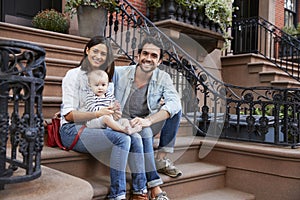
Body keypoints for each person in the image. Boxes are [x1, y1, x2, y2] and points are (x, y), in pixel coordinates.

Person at [60, 36, 149, 200]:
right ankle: (117, 195)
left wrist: (114, 113)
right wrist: (98, 113)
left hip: (98, 126)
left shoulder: (105, 80)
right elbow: (69, 115)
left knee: (135, 136)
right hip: (73, 130)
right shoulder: (73, 75)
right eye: (95, 51)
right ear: (87, 50)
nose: (99, 56)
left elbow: (107, 111)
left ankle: (139, 191)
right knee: (122, 139)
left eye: (103, 54)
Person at [113, 36, 182, 199]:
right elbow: (93, 83)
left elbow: (174, 103)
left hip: (146, 120)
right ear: (137, 56)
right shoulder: (119, 73)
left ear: (159, 62)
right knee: (144, 133)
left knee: (175, 109)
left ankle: (161, 157)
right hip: (123, 121)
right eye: (145, 54)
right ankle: (154, 186)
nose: (148, 59)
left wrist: (149, 120)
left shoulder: (163, 77)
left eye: (154, 56)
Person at [84, 69, 142, 134]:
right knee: (106, 118)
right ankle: (123, 129)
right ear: (90, 85)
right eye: (96, 85)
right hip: (94, 121)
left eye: (103, 85)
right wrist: (107, 109)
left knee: (124, 120)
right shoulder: (90, 96)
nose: (100, 88)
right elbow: (91, 109)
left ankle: (130, 130)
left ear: (107, 85)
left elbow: (114, 105)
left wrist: (116, 108)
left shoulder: (109, 95)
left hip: (110, 118)